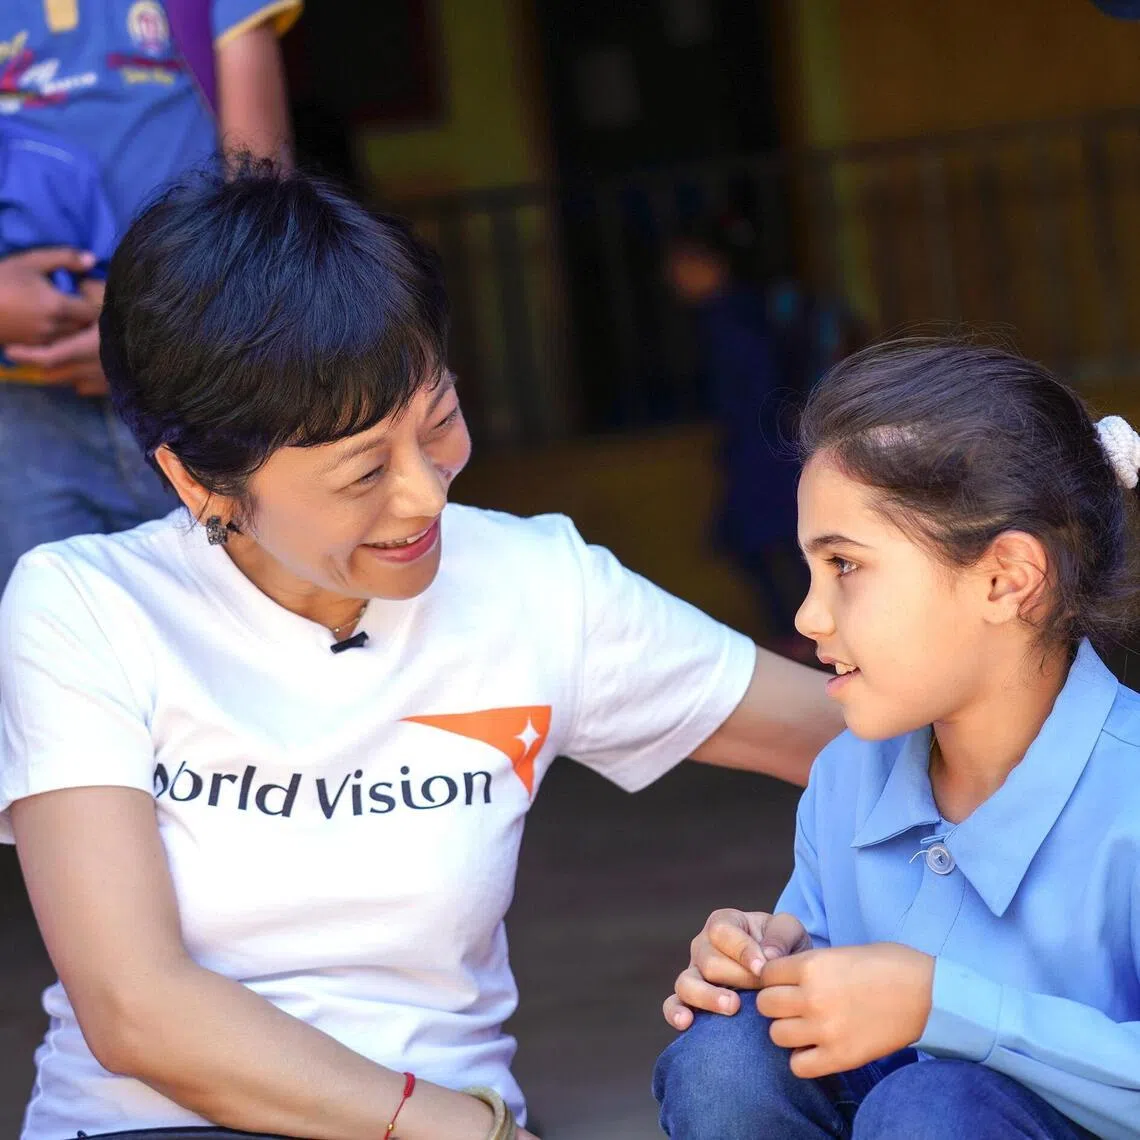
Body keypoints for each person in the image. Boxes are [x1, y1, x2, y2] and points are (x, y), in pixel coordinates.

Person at [0, 164, 841, 1140]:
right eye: (363, 471)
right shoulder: (84, 606)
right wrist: (465, 1129)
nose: (426, 496)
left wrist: (827, 921)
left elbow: (860, 741)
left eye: (437, 421)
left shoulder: (533, 584)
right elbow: (136, 1007)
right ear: (199, 481)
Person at [653, 342, 1140, 1140]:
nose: (810, 618)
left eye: (845, 564)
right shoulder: (849, 774)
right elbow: (817, 984)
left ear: (1006, 578)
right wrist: (768, 956)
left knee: (932, 1108)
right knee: (729, 1047)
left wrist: (944, 1004)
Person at [0, 0, 299, 587]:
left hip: (199, 384)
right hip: (21, 415)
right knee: (52, 632)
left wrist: (142, 334)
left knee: (231, 617)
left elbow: (264, 204)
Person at [666, 216, 862, 659]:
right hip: (767, 447)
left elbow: (757, 388)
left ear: (713, 264)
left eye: (683, 264)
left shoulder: (732, 318)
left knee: (774, 545)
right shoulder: (737, 312)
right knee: (778, 546)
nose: (674, 277)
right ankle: (809, 635)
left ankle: (805, 637)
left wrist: (748, 435)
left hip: (766, 450)